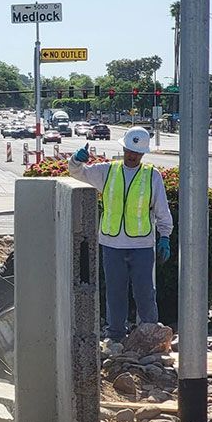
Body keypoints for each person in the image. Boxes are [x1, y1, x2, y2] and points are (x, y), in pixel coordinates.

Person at [68, 127, 174, 341]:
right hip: (112, 244)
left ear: (143, 154)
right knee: (115, 292)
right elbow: (78, 173)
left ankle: (149, 333)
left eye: (137, 152)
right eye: (129, 150)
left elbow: (162, 210)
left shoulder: (151, 176)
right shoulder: (108, 171)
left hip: (142, 245)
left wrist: (165, 237)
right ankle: (116, 335)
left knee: (144, 293)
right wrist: (76, 160)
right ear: (124, 148)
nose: (132, 155)